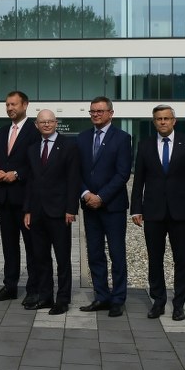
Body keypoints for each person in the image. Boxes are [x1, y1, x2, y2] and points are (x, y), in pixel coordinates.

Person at [131, 104, 185, 321]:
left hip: (180, 212)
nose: (162, 122)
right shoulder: (144, 145)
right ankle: (158, 301)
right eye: (158, 119)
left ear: (174, 121)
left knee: (181, 259)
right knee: (155, 259)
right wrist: (136, 209)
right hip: (153, 212)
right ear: (154, 122)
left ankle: (179, 304)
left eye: (166, 118)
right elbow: (139, 180)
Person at [77, 96, 132, 316]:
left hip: (113, 207)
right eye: (92, 111)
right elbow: (76, 171)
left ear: (111, 113)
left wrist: (101, 197)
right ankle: (101, 296)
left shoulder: (123, 138)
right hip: (89, 206)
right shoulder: (82, 138)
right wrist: (86, 194)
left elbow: (122, 173)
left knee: (117, 254)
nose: (96, 114)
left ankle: (118, 299)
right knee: (95, 254)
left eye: (100, 111)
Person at [22, 110, 81, 315]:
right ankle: (45, 296)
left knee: (62, 258)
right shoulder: (32, 149)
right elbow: (30, 181)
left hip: (60, 212)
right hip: (37, 212)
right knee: (41, 257)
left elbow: (73, 179)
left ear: (56, 123)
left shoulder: (69, 145)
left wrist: (71, 209)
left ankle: (62, 299)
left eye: (50, 121)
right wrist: (27, 209)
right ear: (36, 125)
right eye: (42, 122)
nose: (46, 125)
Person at [0, 91, 40, 305]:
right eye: (7, 105)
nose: (10, 108)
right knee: (9, 246)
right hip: (4, 198)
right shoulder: (1, 132)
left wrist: (17, 174)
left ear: (25, 105)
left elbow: (37, 164)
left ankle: (34, 289)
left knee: (32, 246)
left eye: (14, 104)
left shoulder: (35, 131)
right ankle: (10, 286)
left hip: (26, 198)